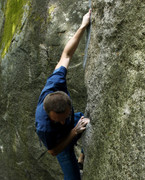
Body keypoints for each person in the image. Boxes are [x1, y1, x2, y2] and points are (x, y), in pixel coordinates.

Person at [35, 10, 91, 180]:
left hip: (72, 126)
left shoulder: (56, 82)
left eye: (64, 116)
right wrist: (73, 132)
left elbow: (66, 55)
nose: (61, 121)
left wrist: (83, 25)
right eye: (57, 119)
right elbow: (52, 151)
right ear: (48, 114)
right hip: (60, 142)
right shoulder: (45, 127)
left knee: (83, 118)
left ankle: (82, 159)